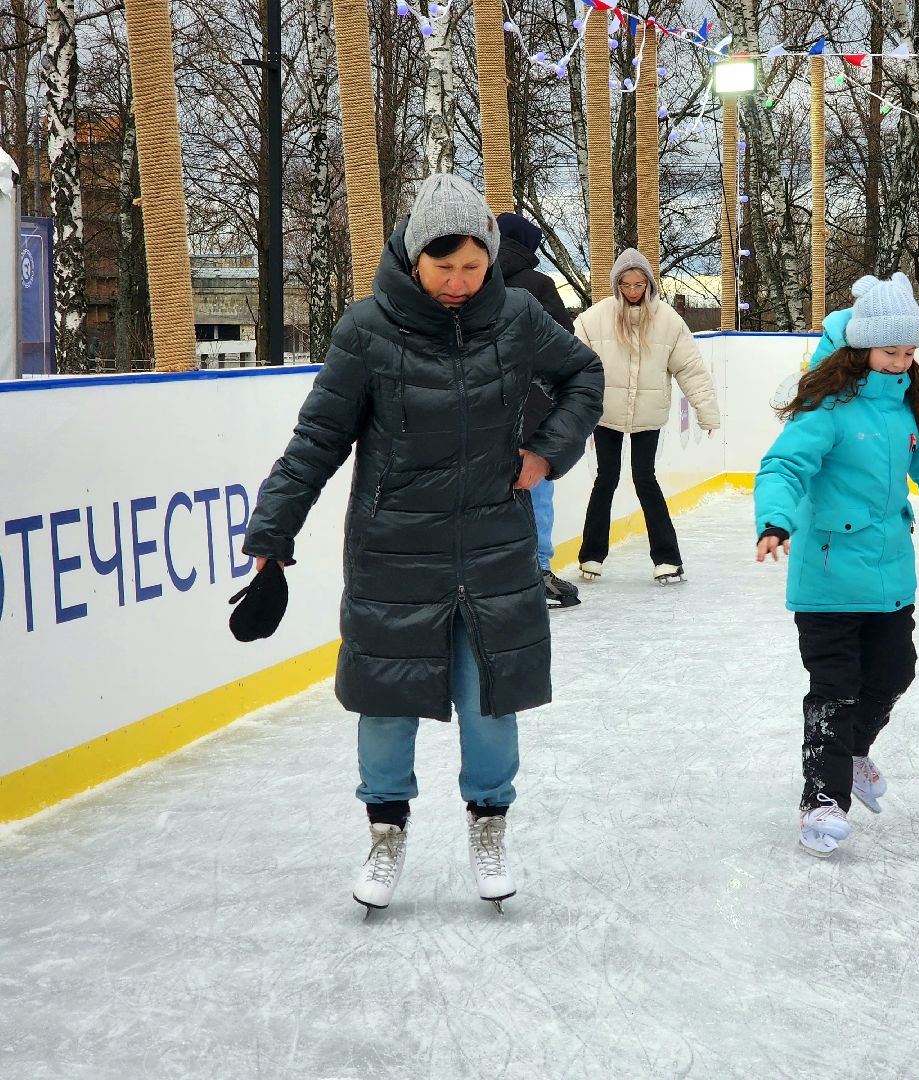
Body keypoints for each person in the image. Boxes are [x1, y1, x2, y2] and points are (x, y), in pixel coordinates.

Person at [240, 173, 604, 912]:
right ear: (414, 258)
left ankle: (489, 824)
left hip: (494, 552)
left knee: (490, 704)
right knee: (386, 706)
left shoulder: (518, 321)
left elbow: (584, 377)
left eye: (474, 267)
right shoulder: (366, 330)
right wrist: (272, 536)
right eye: (445, 268)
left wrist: (544, 455)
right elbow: (316, 442)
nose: (461, 283)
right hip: (394, 553)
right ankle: (385, 833)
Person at [753, 273, 919, 857]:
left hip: (890, 578)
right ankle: (821, 802)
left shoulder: (908, 411)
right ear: (860, 348)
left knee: (895, 673)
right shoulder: (826, 408)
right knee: (834, 690)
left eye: (908, 353)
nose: (901, 363)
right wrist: (775, 520)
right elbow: (783, 468)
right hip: (826, 579)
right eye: (889, 352)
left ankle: (852, 754)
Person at [573, 248, 720, 584]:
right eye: (626, 284)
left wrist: (707, 413)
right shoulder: (593, 320)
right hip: (606, 413)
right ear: (616, 285)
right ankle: (591, 556)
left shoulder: (669, 322)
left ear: (650, 284)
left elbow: (691, 370)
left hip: (648, 415)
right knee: (606, 478)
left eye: (639, 284)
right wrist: (574, 413)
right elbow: (574, 368)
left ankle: (667, 558)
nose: (633, 291)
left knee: (645, 478)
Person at [495, 210, 580, 609]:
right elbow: (564, 345)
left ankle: (503, 574)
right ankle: (538, 570)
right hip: (530, 405)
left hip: (482, 405)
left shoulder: (477, 279)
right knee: (536, 486)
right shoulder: (537, 284)